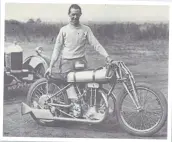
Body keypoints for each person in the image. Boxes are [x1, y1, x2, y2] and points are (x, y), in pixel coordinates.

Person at [46, 4, 112, 117]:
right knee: (69, 83)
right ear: (69, 15)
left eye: (77, 14)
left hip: (81, 62)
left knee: (90, 82)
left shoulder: (86, 29)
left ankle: (91, 110)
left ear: (80, 15)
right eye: (73, 14)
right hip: (66, 62)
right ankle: (74, 106)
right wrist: (50, 66)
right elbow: (57, 49)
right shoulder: (64, 30)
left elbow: (96, 44)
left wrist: (107, 56)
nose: (75, 17)